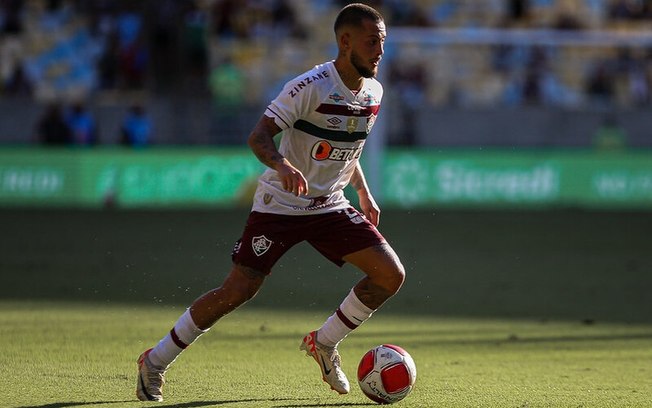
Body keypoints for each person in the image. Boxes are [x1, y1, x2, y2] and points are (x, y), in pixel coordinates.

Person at [136, 3, 404, 402]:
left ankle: (324, 342)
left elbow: (350, 148)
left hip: (329, 205)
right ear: (345, 41)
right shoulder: (309, 86)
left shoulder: (374, 92)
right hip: (281, 204)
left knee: (389, 275)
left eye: (382, 41)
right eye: (371, 42)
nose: (379, 51)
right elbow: (258, 137)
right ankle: (154, 361)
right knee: (238, 290)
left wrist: (362, 190)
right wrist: (283, 166)